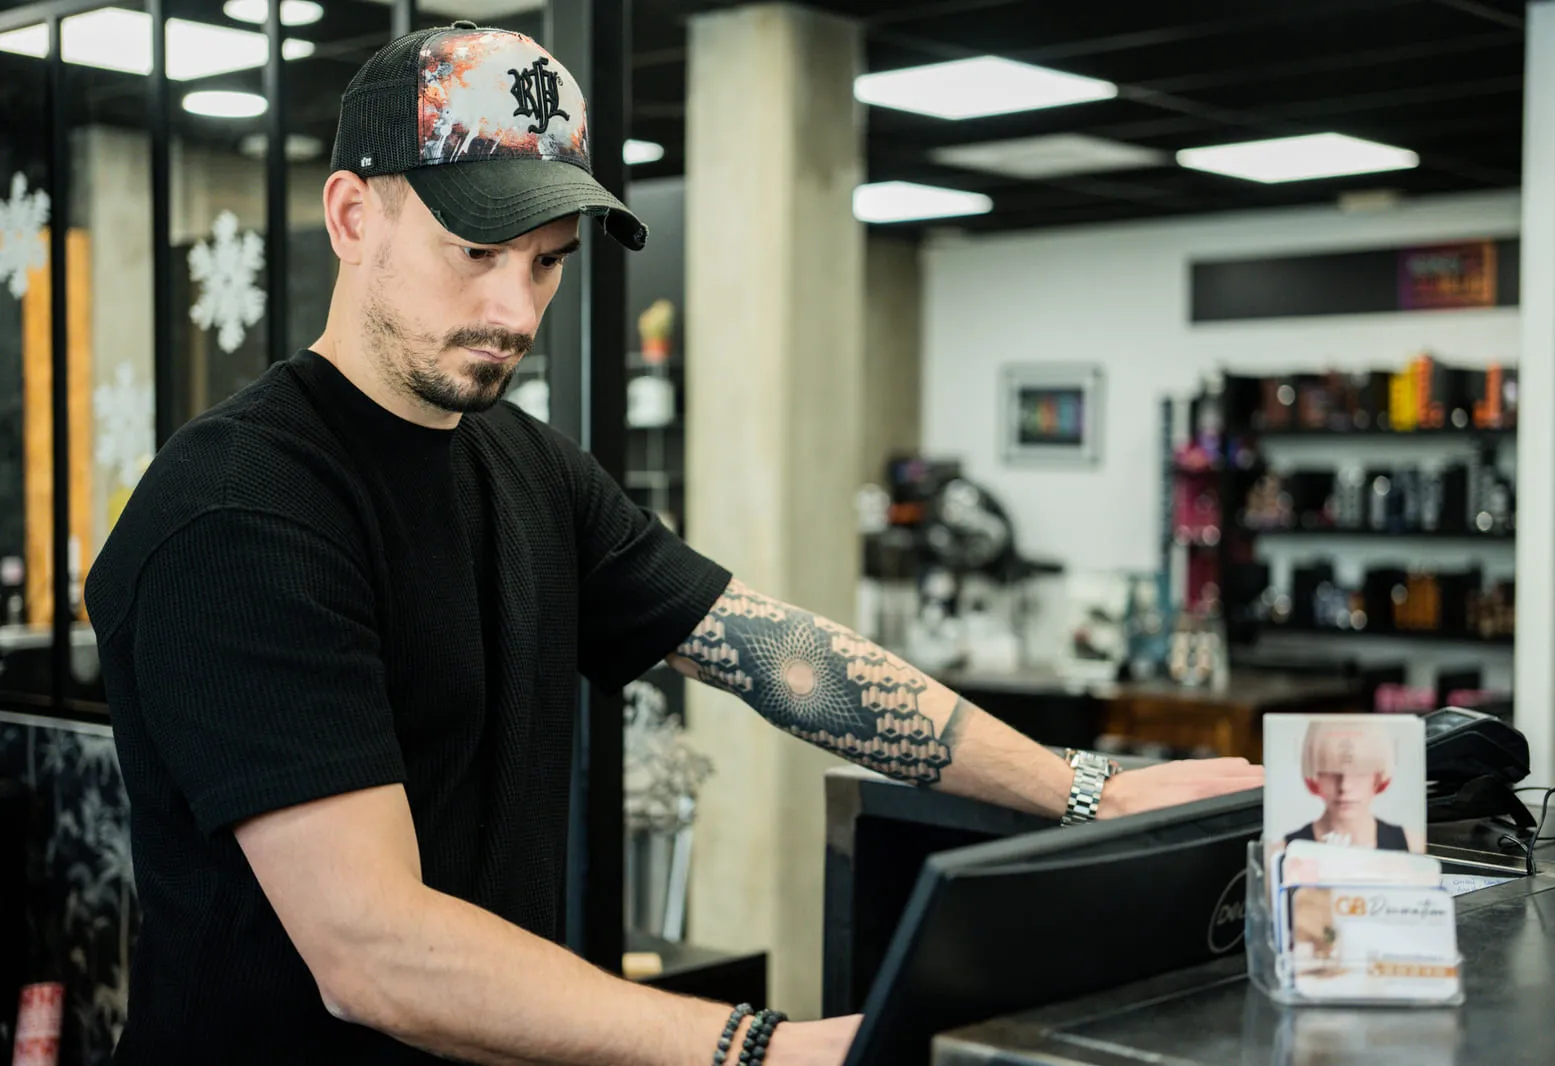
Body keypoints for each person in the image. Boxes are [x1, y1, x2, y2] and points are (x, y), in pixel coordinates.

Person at [84, 22, 1263, 1066]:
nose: (515, 312)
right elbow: (375, 951)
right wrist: (765, 1046)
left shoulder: (526, 468)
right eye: (477, 253)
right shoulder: (239, 513)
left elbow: (776, 653)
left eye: (546, 264)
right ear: (354, 214)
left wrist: (1090, 790)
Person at [1285, 721, 1416, 852]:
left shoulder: (1412, 843)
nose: (1345, 786)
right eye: (1331, 771)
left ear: (1377, 776)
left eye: (1360, 771)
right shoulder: (1283, 850)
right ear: (1315, 775)